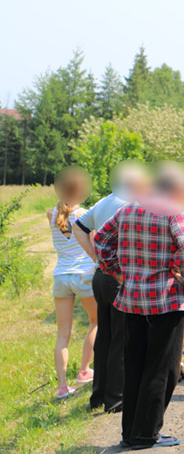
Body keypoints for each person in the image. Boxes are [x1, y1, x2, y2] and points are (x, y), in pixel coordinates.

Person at [95, 161, 184, 449]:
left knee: (135, 366)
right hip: (165, 299)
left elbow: (100, 238)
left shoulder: (128, 208)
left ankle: (130, 432)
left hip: (130, 299)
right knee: (162, 369)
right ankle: (146, 434)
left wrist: (114, 268)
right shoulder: (174, 211)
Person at [72, 161, 148, 413]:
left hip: (100, 276)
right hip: (120, 277)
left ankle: (99, 395)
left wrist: (96, 257)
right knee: (121, 339)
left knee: (104, 336)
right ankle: (116, 399)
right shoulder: (133, 204)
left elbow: (78, 227)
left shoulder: (104, 201)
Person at [48, 166, 97, 400]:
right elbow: (94, 243)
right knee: (96, 321)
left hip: (61, 277)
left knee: (62, 335)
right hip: (83, 275)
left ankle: (62, 387)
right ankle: (85, 370)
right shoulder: (85, 214)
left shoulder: (51, 214)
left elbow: (60, 213)